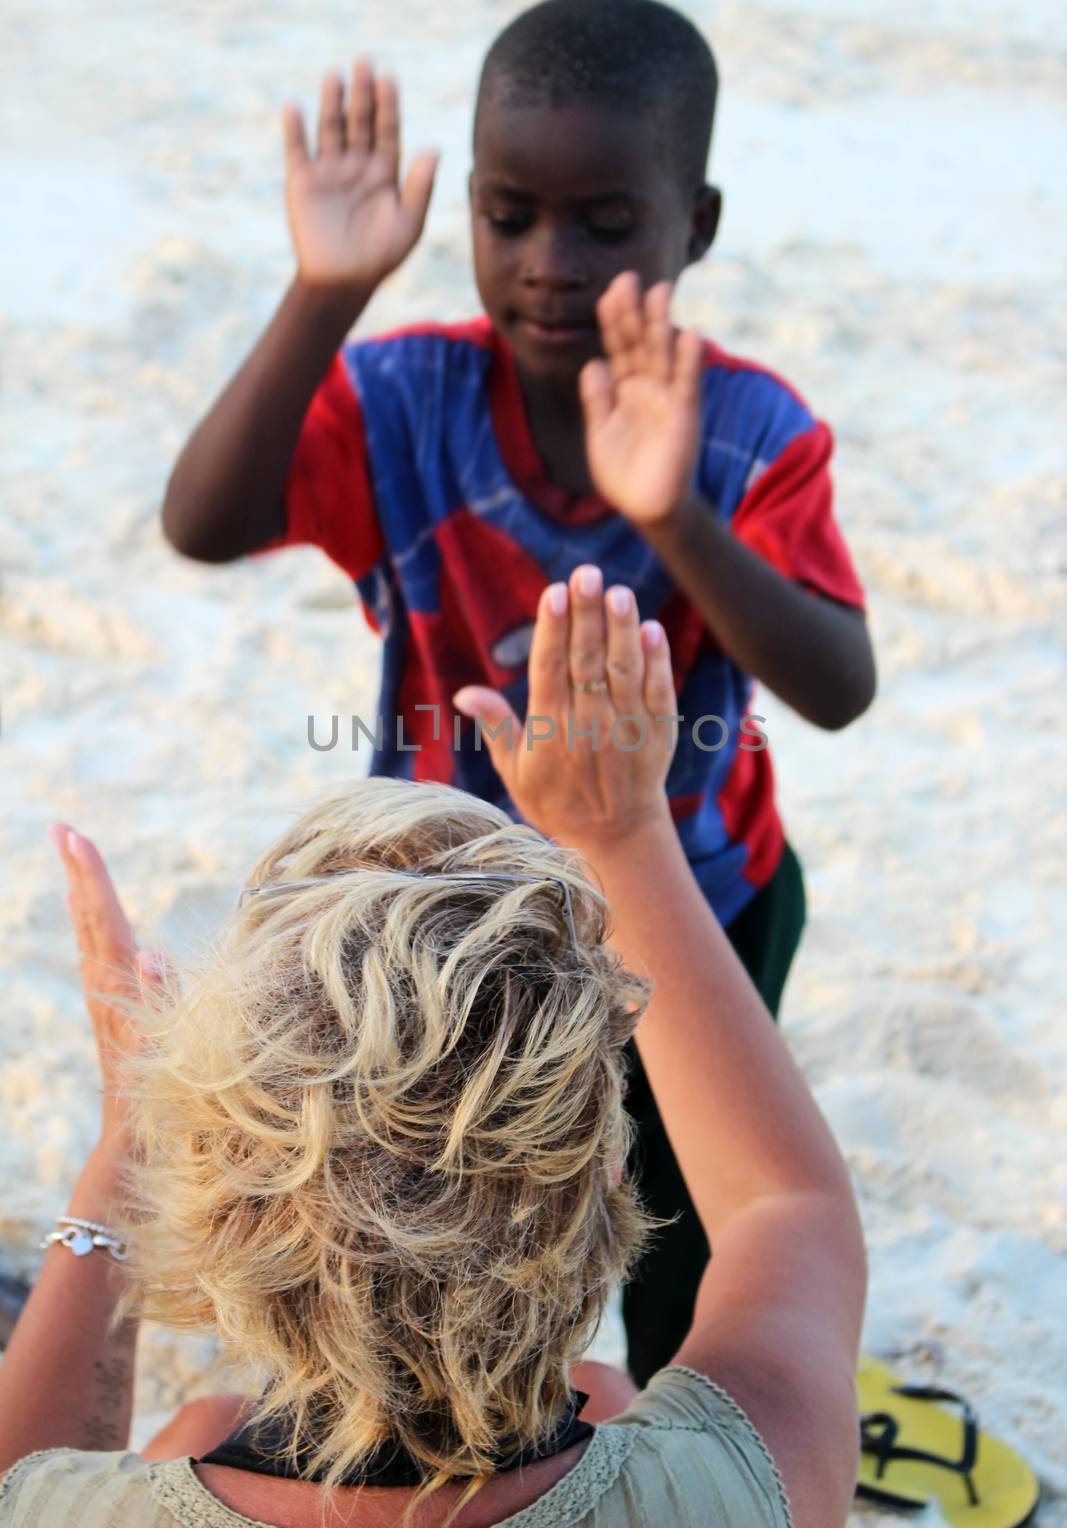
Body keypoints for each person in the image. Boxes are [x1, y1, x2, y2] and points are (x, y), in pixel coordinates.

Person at [160, 0, 876, 1385]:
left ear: (695, 225)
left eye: (603, 223)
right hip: (451, 930)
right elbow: (204, 519)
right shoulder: (407, 398)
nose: (546, 263)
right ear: (470, 210)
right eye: (506, 214)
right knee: (452, 1218)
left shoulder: (747, 432)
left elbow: (835, 682)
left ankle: (691, 1430)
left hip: (702, 900)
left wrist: (672, 518)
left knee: (687, 1228)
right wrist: (325, 291)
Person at [0, 564, 866, 1528]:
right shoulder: (734, 1491)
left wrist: (127, 1136)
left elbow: (30, 1471)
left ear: (214, 1213)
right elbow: (786, 1207)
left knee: (205, 1419)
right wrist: (619, 833)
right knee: (606, 1390)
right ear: (611, 1177)